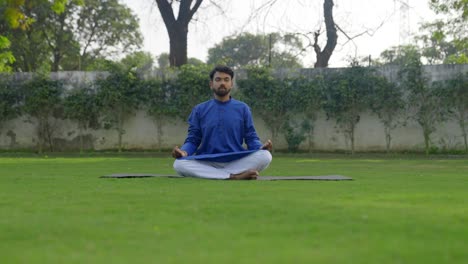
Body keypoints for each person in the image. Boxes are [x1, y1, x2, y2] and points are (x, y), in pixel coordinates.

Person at [172, 65, 272, 180]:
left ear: (231, 84)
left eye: (226, 80)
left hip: (236, 160)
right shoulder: (199, 110)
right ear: (211, 84)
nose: (222, 83)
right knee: (179, 164)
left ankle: (215, 174)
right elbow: (193, 139)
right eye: (218, 80)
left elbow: (251, 137)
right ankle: (232, 176)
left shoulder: (243, 108)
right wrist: (184, 152)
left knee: (266, 156)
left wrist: (261, 147)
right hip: (207, 161)